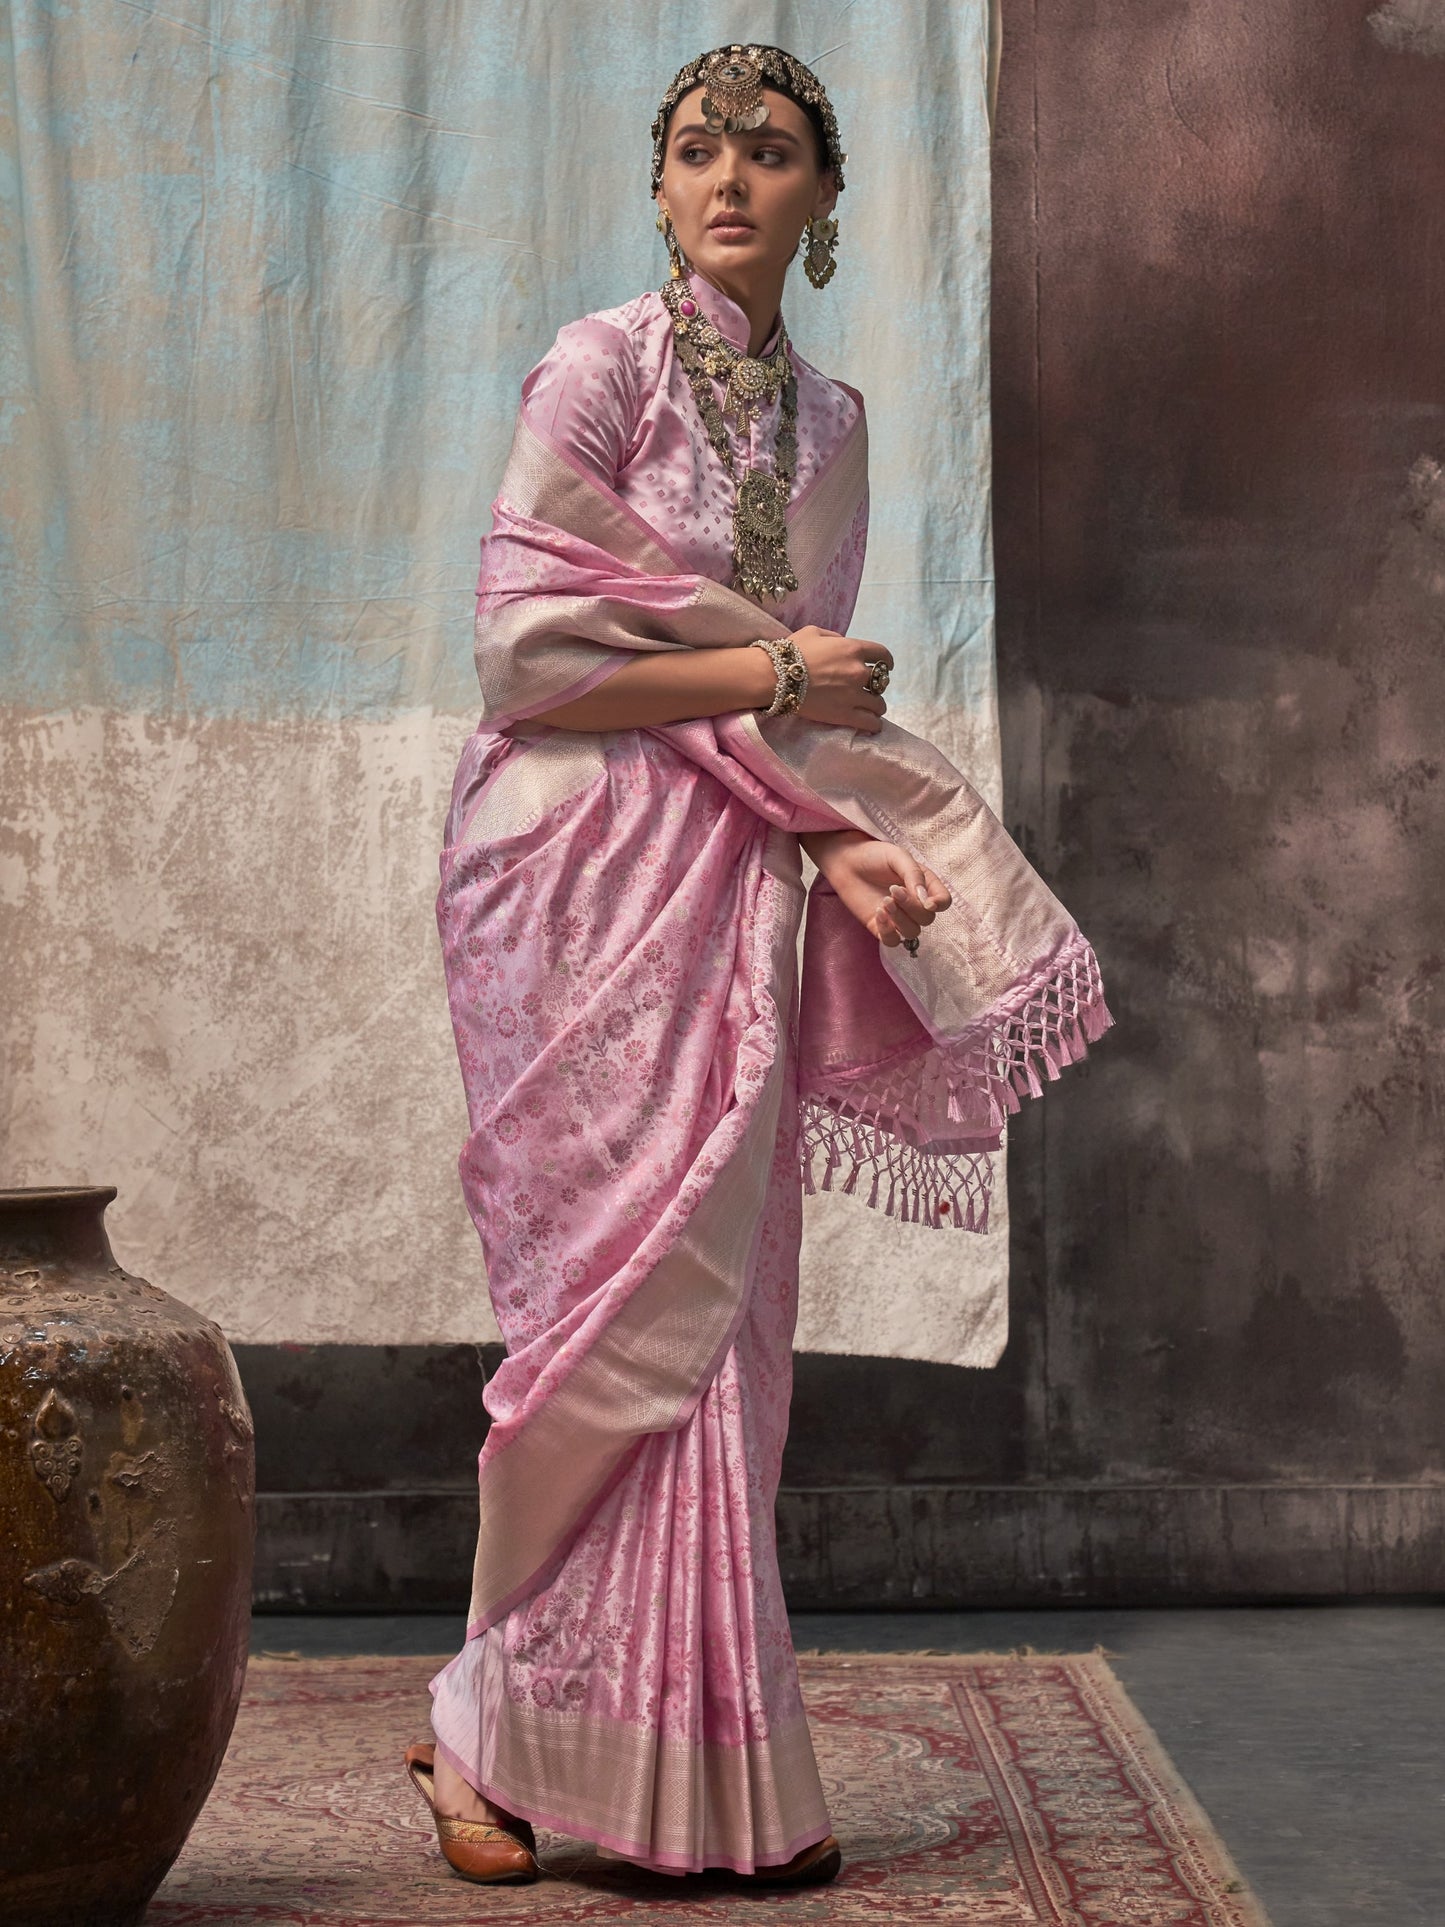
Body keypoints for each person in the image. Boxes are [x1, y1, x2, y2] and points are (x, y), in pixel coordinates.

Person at [403, 43, 1110, 1889]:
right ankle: (482, 1726)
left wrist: (838, 838)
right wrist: (771, 674)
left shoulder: (836, 426)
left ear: (820, 200)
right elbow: (528, 664)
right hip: (560, 872)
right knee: (589, 1317)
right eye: (699, 148)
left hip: (729, 870)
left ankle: (671, 1773)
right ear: (658, 188)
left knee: (721, 1325)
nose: (730, 176)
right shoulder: (596, 366)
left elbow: (791, 725)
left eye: (772, 151)